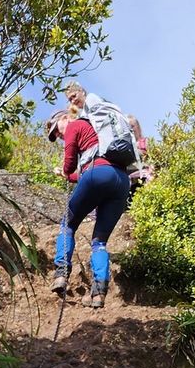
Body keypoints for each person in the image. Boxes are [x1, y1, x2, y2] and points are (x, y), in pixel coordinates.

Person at [46, 82, 133, 310]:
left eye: (57, 129)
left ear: (64, 118)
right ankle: (98, 294)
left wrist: (64, 172)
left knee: (67, 224)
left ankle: (61, 274)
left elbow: (71, 164)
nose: (59, 135)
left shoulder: (75, 125)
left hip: (97, 175)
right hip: (121, 181)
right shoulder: (96, 130)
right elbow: (90, 171)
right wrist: (70, 177)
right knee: (99, 241)